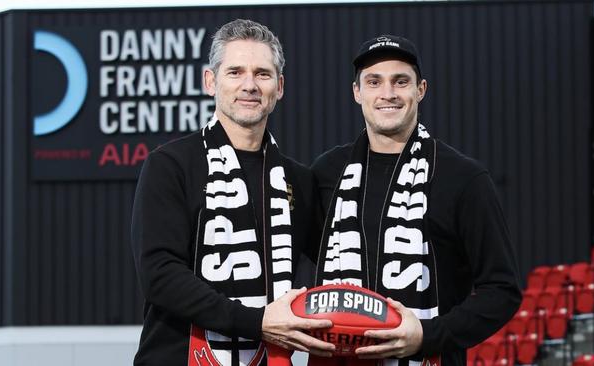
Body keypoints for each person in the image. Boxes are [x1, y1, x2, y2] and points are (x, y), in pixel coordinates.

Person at [131, 19, 335, 366]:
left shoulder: (298, 180)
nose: (250, 85)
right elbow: (160, 276)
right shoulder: (170, 165)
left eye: (262, 74)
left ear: (280, 87)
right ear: (210, 81)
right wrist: (258, 323)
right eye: (235, 72)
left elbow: (339, 262)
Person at [311, 35, 522, 365]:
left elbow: (502, 290)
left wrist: (427, 335)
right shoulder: (326, 173)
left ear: (420, 89)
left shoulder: (463, 178)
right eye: (374, 81)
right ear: (357, 93)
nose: (388, 93)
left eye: (401, 81)